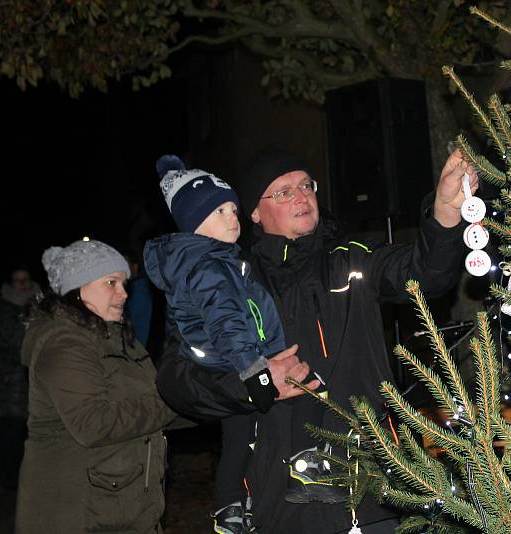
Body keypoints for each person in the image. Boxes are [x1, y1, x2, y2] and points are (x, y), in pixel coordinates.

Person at [155, 146, 477, 533]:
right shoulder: (223, 283)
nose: (302, 196)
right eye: (283, 191)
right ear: (254, 214)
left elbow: (427, 273)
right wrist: (252, 385)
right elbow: (176, 379)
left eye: (306, 185)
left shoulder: (353, 260)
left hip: (370, 496)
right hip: (275, 505)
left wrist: (444, 214)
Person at [144, 156, 317, 533]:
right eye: (220, 211)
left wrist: (272, 350)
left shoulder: (225, 262)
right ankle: (234, 507)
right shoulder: (209, 269)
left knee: (243, 434)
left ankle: (243, 501)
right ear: (196, 224)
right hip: (225, 362)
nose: (232, 218)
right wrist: (258, 374)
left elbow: (256, 312)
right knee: (242, 434)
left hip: (236, 360)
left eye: (234, 209)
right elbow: (229, 327)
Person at [15, 240, 177, 533]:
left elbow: (149, 406)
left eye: (124, 283)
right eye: (111, 283)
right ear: (77, 289)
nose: (123, 293)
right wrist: (174, 400)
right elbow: (94, 424)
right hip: (76, 516)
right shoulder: (64, 343)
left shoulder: (120, 339)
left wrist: (227, 396)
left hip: (125, 510)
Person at [0, 267, 38, 492]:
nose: (22, 285)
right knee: (12, 435)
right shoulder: (4, 310)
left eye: (26, 280)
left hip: (32, 385)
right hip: (9, 386)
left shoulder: (37, 307)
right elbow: (13, 345)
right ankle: (10, 482)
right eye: (17, 280)